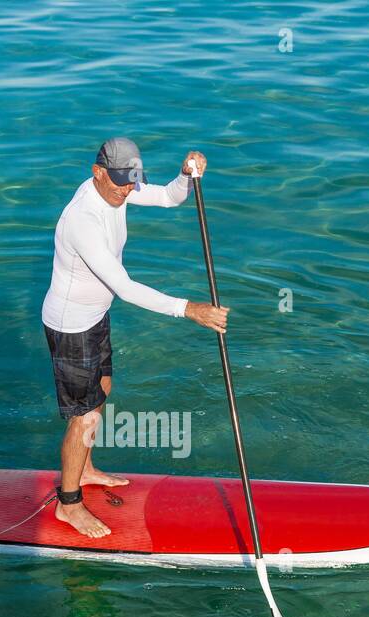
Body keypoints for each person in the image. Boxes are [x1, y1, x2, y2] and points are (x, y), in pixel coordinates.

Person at [41, 137, 229, 538]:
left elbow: (167, 198)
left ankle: (86, 469)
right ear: (97, 173)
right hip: (71, 326)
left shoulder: (119, 188)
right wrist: (189, 309)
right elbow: (125, 287)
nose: (127, 189)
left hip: (96, 316)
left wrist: (185, 177)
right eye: (121, 182)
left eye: (131, 180)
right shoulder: (82, 218)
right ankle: (68, 505)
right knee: (84, 415)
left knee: (103, 391)